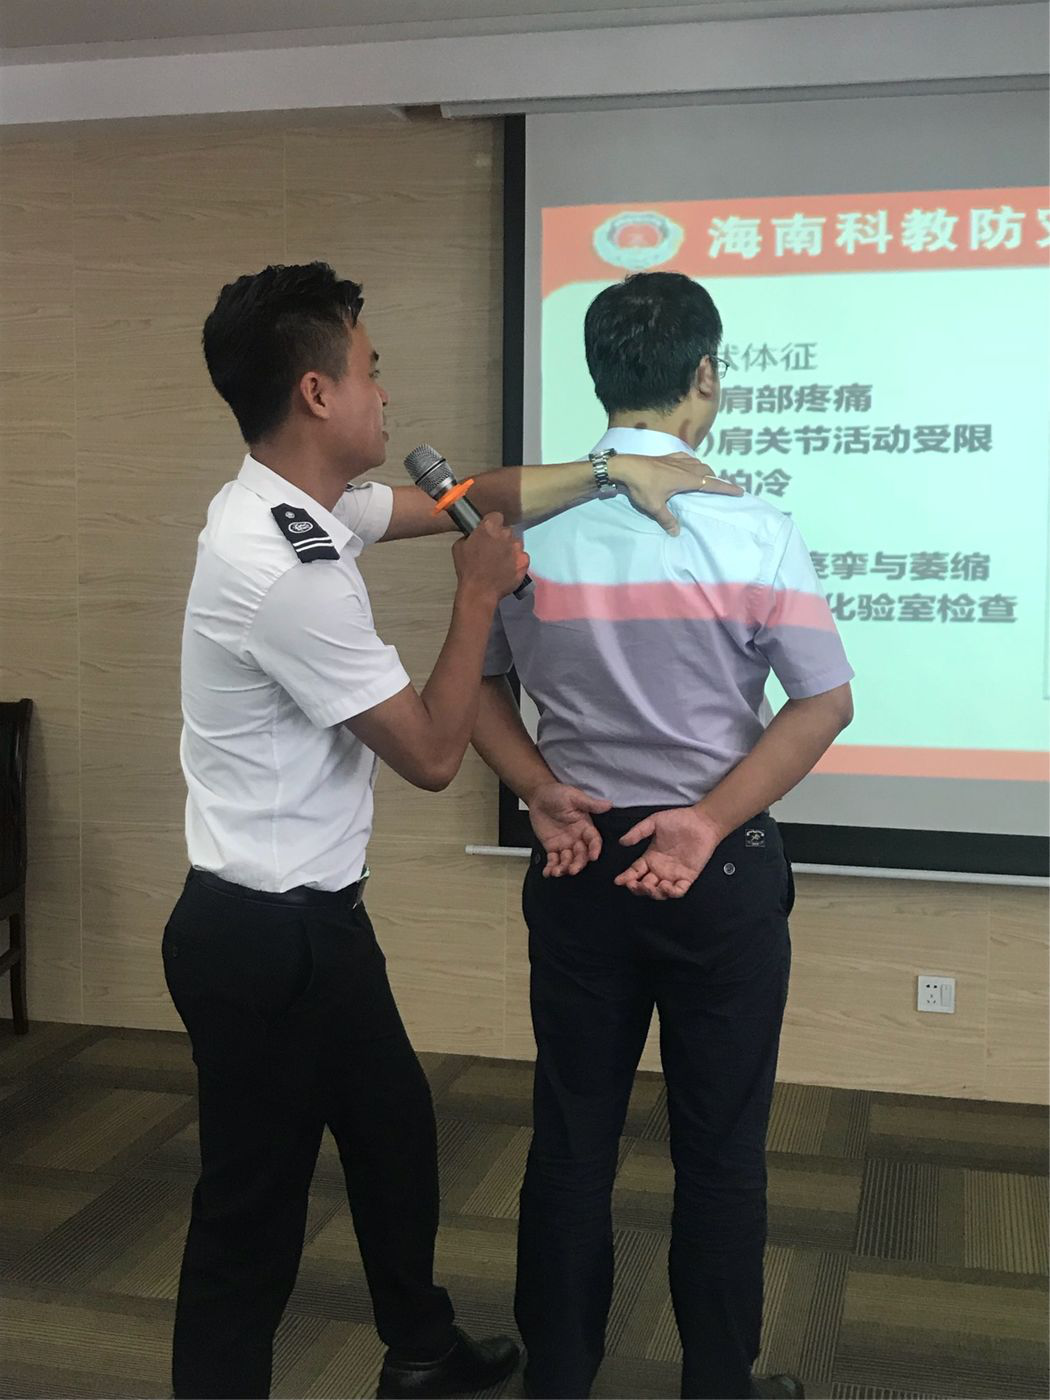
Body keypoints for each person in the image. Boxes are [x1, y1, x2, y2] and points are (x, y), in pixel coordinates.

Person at [164, 261, 735, 1400]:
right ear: (318, 392)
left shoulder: (304, 505)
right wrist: (477, 594)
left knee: (394, 1135)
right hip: (262, 937)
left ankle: (420, 1345)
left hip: (315, 921)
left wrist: (612, 469)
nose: (385, 392)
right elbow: (431, 753)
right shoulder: (280, 566)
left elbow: (466, 494)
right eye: (370, 370)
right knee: (250, 1215)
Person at [472, 271, 855, 1400]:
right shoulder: (754, 529)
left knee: (570, 1141)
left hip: (577, 859)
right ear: (704, 377)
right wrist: (708, 820)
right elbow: (824, 702)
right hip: (717, 873)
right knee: (722, 1152)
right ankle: (717, 1386)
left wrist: (538, 785)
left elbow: (480, 687)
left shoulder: (524, 529)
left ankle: (559, 1380)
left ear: (601, 379)